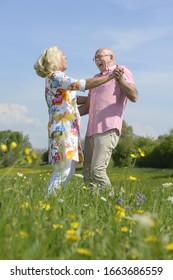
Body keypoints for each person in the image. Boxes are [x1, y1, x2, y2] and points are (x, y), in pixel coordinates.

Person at [33, 46, 118, 194]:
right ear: (55, 59)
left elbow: (75, 99)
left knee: (68, 171)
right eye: (63, 55)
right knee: (62, 172)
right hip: (62, 131)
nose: (66, 58)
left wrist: (102, 96)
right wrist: (110, 77)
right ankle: (46, 201)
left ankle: (53, 201)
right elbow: (82, 84)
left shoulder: (56, 80)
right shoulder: (57, 76)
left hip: (66, 131)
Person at [78, 47, 138, 191]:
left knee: (98, 171)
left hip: (107, 128)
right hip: (91, 131)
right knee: (87, 173)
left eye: (100, 56)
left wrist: (120, 80)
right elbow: (87, 106)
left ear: (111, 58)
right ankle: (93, 205)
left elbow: (134, 95)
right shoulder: (96, 78)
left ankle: (114, 201)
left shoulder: (121, 70)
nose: (97, 60)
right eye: (95, 58)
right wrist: (63, 114)